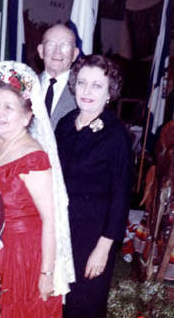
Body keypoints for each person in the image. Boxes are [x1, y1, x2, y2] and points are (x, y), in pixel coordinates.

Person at [0, 61, 75, 317]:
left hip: (24, 255)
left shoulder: (34, 157)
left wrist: (46, 273)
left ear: (27, 116)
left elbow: (50, 220)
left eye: (8, 107)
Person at [55, 55, 132, 317]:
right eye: (82, 83)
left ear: (110, 92)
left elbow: (121, 196)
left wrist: (104, 247)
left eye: (97, 85)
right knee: (56, 302)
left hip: (93, 236)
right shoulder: (65, 123)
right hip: (60, 230)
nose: (87, 91)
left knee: (84, 304)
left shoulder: (116, 134)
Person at [37, 23, 80, 129]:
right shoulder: (25, 85)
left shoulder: (83, 91)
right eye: (51, 44)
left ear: (74, 54)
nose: (57, 52)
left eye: (65, 45)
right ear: (41, 51)